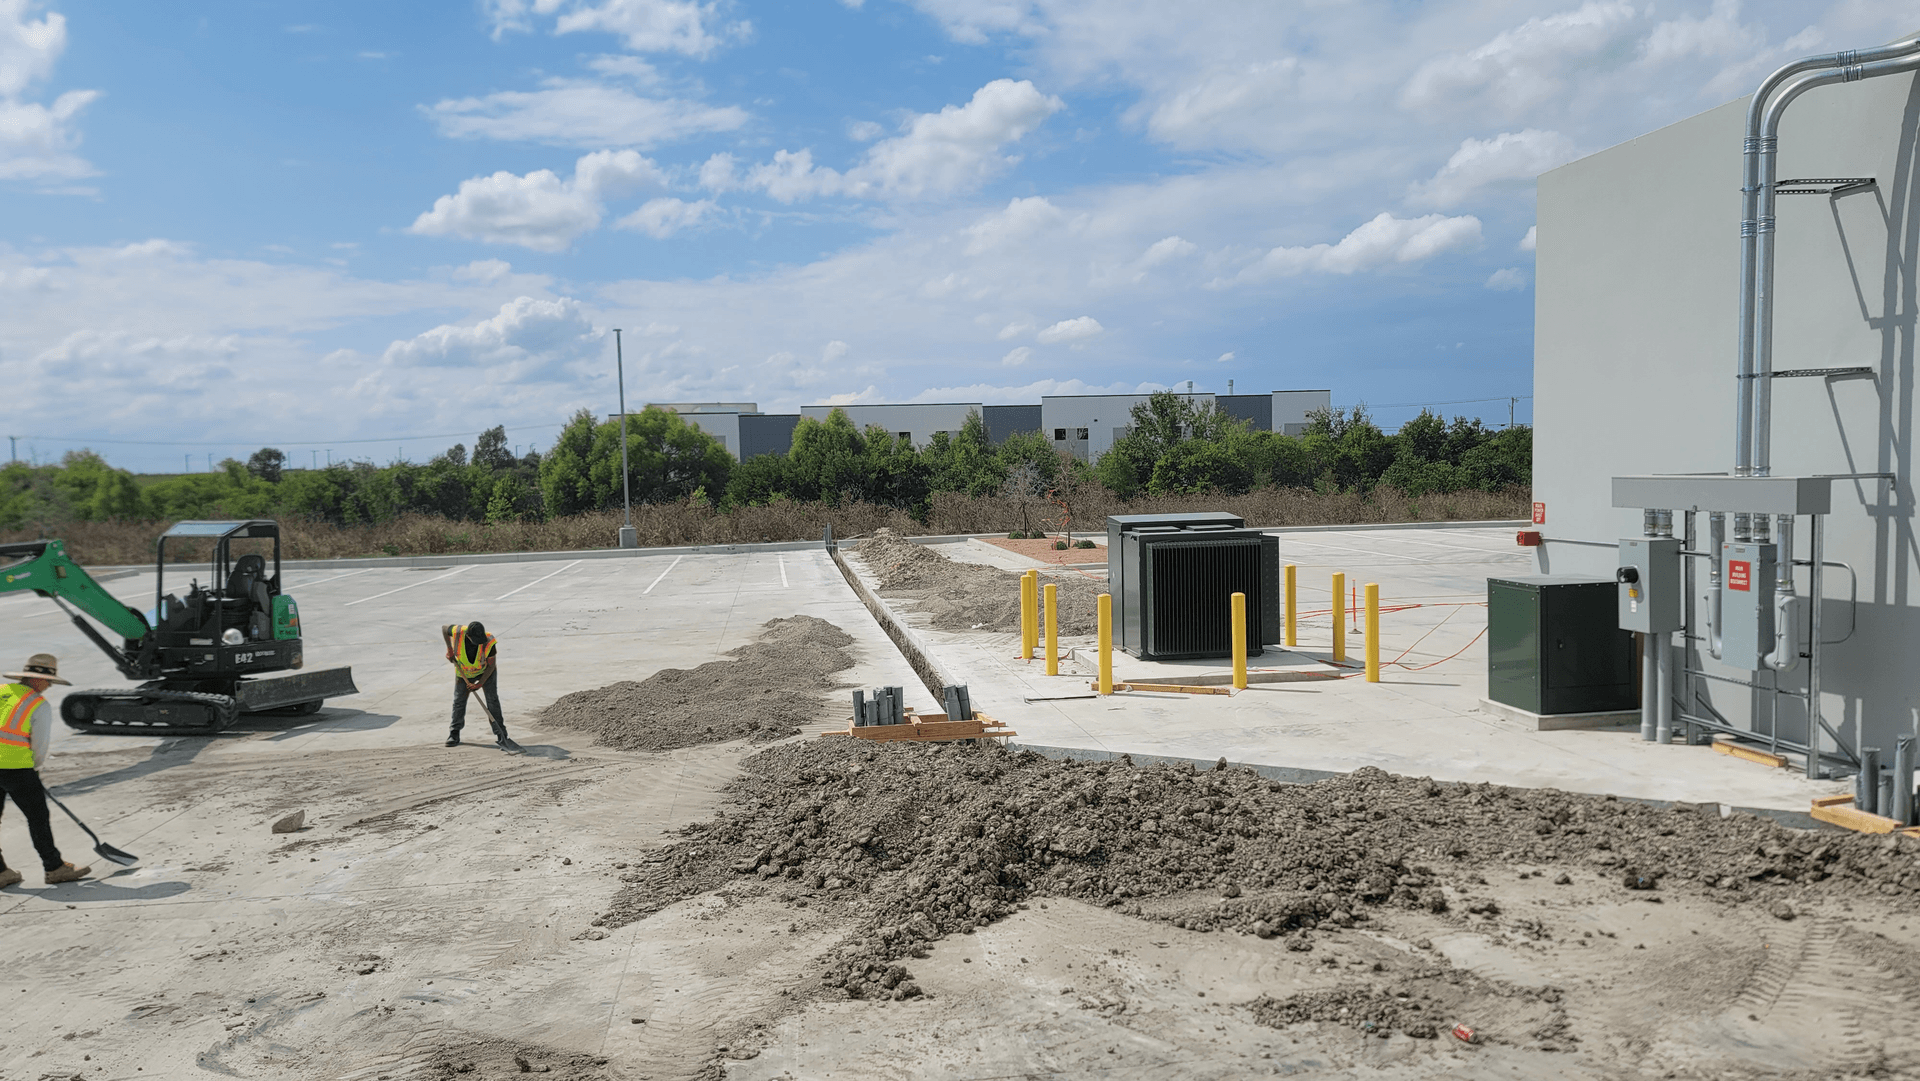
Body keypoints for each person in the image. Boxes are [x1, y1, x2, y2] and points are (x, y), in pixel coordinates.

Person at [0, 654, 90, 888]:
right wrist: (36, 769)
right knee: (38, 817)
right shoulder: (37, 704)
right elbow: (39, 745)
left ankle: (0, 873)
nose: (50, 686)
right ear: (38, 680)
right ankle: (54, 867)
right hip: (15, 768)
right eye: (49, 681)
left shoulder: (1, 690)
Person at [441, 621, 518, 751]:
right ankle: (454, 733)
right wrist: (449, 649)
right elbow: (444, 629)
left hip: (485, 673)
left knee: (492, 701)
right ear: (468, 635)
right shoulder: (459, 632)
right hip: (463, 673)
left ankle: (501, 735)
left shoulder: (489, 642)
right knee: (459, 702)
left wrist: (480, 683)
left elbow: (491, 665)